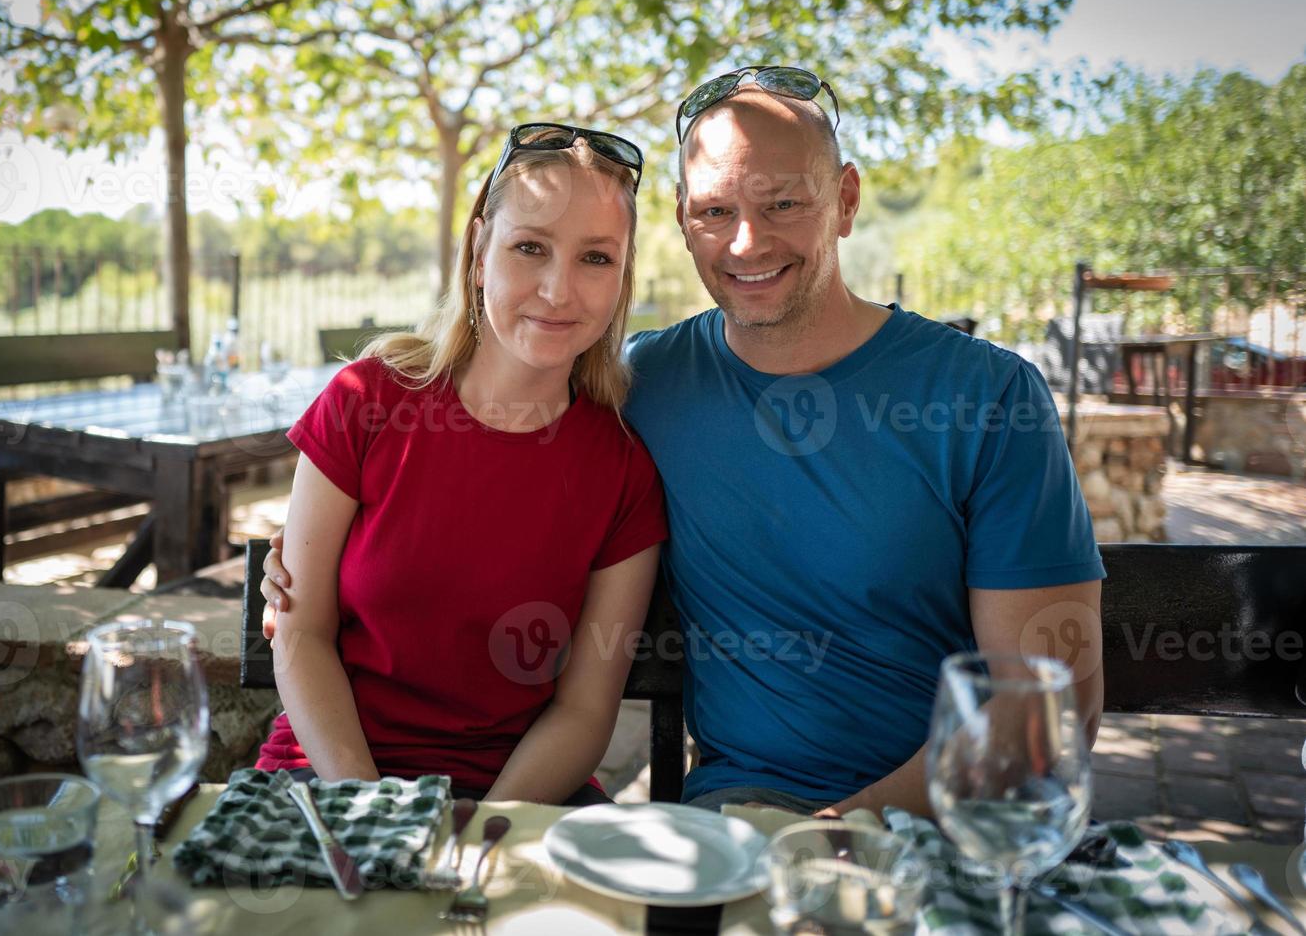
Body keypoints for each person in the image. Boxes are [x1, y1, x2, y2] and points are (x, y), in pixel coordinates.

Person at [263, 67, 1105, 817]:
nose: (747, 241)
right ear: (683, 222)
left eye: (783, 203)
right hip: (736, 811)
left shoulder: (986, 396)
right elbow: (460, 487)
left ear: (846, 200)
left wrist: (842, 839)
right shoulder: (650, 385)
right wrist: (304, 548)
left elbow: (1049, 702)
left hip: (942, 816)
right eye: (715, 211)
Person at [254, 122, 667, 806]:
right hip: (329, 771)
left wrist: (479, 833)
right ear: (479, 253)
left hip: (521, 794)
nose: (559, 290)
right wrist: (376, 814)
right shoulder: (366, 401)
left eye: (596, 258)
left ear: (623, 276)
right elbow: (300, 637)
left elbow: (585, 711)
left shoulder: (623, 470)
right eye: (529, 248)